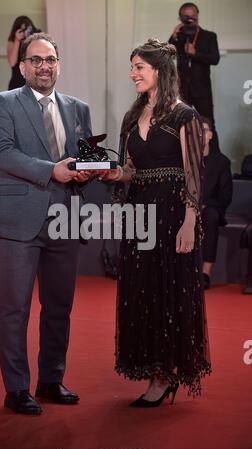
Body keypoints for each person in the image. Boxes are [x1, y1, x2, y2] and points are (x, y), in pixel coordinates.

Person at [0, 32, 92, 415]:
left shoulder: (78, 108)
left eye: (50, 60)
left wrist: (90, 171)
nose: (44, 66)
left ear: (58, 65)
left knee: (59, 306)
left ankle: (50, 380)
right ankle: (16, 388)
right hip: (17, 221)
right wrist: (53, 171)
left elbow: (81, 160)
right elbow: (0, 153)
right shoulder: (3, 103)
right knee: (14, 309)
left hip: (66, 218)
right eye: (36, 60)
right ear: (23, 65)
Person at [101, 38, 211, 406]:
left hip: (172, 214)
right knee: (142, 292)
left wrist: (188, 221)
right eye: (131, 67)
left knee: (170, 293)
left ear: (161, 71)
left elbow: (194, 175)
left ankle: (165, 375)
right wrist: (113, 175)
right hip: (139, 216)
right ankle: (153, 370)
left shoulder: (185, 116)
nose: (132, 74)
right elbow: (131, 169)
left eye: (139, 68)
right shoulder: (132, 116)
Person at [169, 3, 220, 151]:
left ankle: (214, 158)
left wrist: (195, 54)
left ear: (197, 16)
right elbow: (167, 55)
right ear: (180, 18)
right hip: (183, 89)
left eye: (192, 16)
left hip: (202, 89)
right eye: (186, 17)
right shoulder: (179, 37)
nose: (190, 19)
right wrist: (173, 36)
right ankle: (180, 157)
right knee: (179, 123)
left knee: (209, 124)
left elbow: (215, 59)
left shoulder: (209, 36)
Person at [200, 116, 233, 289]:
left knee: (210, 216)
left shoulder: (221, 162)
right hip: (187, 206)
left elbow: (226, 196)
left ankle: (205, 273)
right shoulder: (185, 159)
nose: (200, 134)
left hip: (211, 209)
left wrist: (205, 205)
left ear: (211, 135)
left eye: (203, 130)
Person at [7, 16, 40, 90]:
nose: (25, 32)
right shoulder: (12, 42)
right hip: (17, 82)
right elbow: (12, 63)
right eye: (22, 30)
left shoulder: (35, 40)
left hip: (34, 81)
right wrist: (17, 40)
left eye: (27, 29)